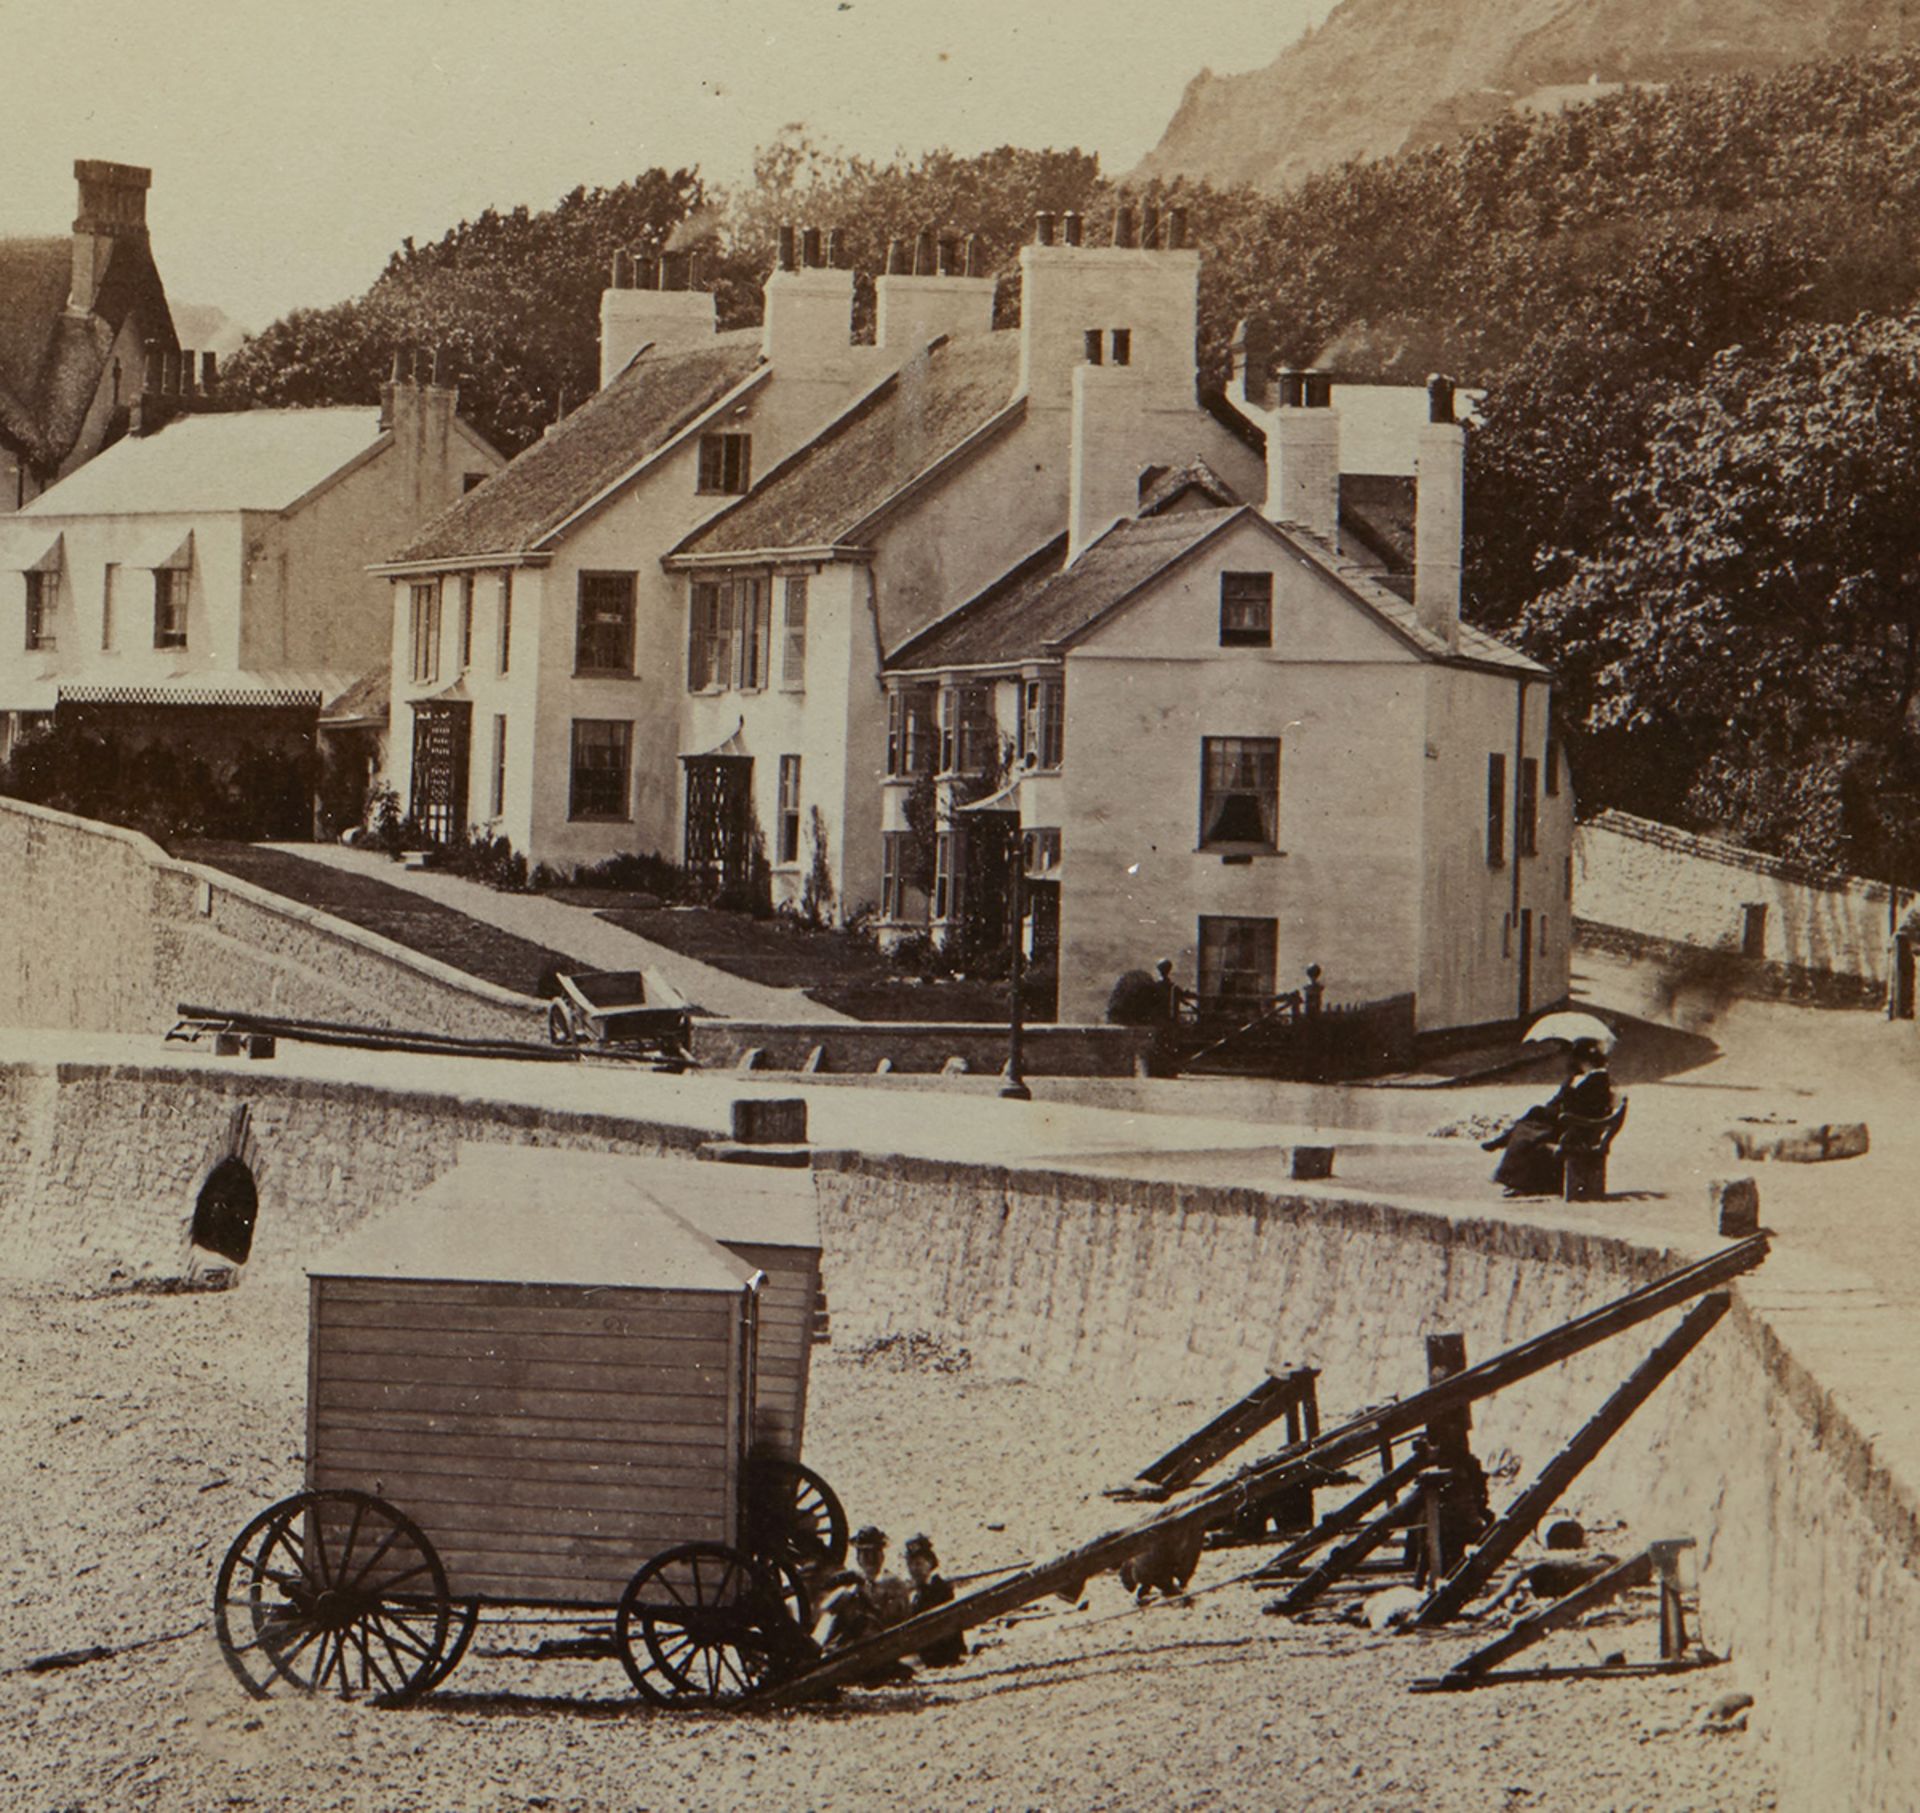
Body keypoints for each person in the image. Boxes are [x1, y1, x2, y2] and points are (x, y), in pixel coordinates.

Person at [1482, 1037, 1613, 1196]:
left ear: (1586, 1060)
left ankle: (1506, 1166)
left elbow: (1586, 1110)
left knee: (1526, 1131)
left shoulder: (1598, 1080)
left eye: (1579, 1060)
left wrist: (1564, 1102)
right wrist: (1564, 1093)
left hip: (1578, 1129)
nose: (1577, 1064)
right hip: (1568, 1123)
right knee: (1530, 1124)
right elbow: (1561, 1100)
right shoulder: (1580, 1078)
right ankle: (1512, 1176)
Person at [902, 1534, 966, 1666]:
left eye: (919, 1563)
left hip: (940, 1652)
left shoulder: (937, 1588)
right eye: (910, 1564)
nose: (914, 1569)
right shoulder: (920, 1591)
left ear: (930, 1563)